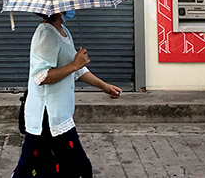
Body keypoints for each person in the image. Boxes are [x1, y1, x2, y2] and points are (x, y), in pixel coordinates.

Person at [11, 11, 122, 178]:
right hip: (48, 115)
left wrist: (104, 86)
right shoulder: (45, 34)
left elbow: (77, 69)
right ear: (58, 8)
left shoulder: (63, 31)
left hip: (61, 113)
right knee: (79, 168)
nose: (73, 8)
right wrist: (74, 65)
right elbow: (41, 76)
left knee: (37, 166)